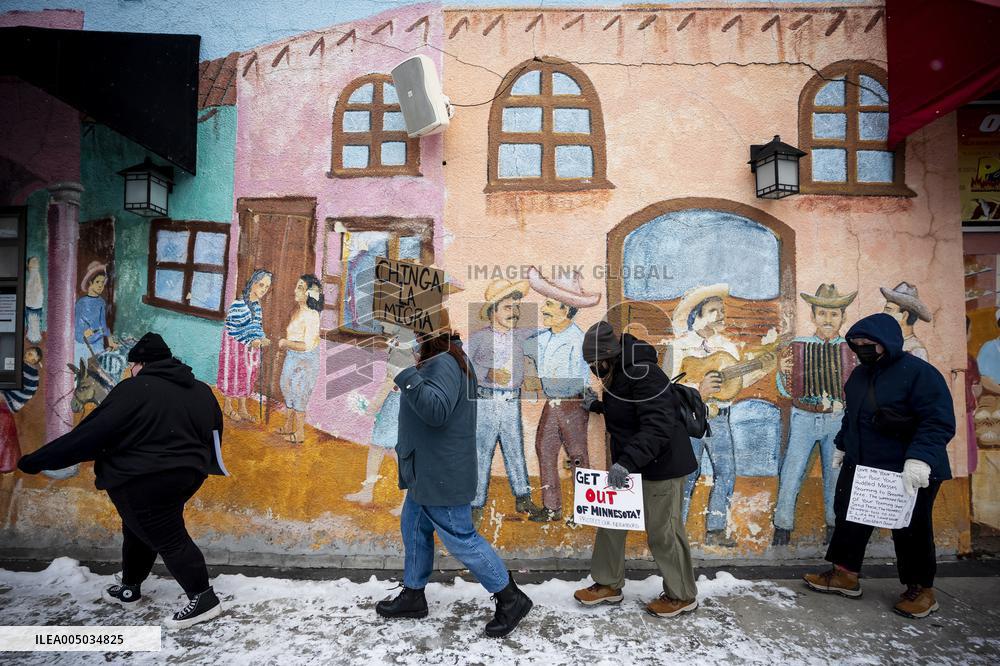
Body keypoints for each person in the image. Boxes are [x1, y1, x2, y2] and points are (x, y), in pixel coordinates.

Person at [17, 333, 227, 629]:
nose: (131, 370)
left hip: (141, 478)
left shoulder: (134, 389)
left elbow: (92, 433)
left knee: (167, 536)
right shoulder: (201, 390)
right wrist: (195, 463)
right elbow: (214, 432)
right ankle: (129, 588)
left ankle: (203, 598)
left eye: (133, 365)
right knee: (138, 530)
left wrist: (38, 460)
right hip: (188, 475)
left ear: (141, 363)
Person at [376, 311, 533, 638]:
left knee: (461, 538)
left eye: (408, 334)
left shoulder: (445, 362)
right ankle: (413, 595)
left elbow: (436, 411)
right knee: (414, 527)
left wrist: (405, 372)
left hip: (441, 474)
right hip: (428, 471)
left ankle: (510, 597)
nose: (403, 341)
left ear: (423, 335)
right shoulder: (442, 359)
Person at [803, 313, 956, 619]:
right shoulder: (860, 375)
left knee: (910, 528)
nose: (862, 349)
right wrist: (842, 445)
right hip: (864, 463)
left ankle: (921, 589)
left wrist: (919, 459)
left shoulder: (920, 374)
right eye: (857, 344)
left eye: (868, 344)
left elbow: (938, 421)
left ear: (887, 342)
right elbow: (852, 416)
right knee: (849, 516)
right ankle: (845, 575)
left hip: (908, 467)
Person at [574, 321, 700, 618]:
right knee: (611, 522)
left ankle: (682, 595)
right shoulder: (617, 373)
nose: (593, 369)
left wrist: (626, 462)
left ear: (608, 356)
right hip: (630, 464)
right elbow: (629, 410)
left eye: (594, 363)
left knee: (663, 532)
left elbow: (658, 425)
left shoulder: (644, 373)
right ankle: (608, 583)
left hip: (661, 465)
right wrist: (598, 407)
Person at [666, 284, 776, 547]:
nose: (721, 315)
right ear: (697, 314)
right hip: (688, 420)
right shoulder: (678, 347)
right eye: (713, 310)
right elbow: (667, 389)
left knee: (726, 473)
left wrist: (761, 368)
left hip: (719, 420)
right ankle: (675, 531)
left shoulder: (727, 347)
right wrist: (698, 390)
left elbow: (734, 384)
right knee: (686, 476)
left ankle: (715, 529)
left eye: (722, 310)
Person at [772, 284, 858, 546]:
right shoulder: (798, 346)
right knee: (792, 470)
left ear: (843, 317)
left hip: (837, 419)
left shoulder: (852, 350)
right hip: (803, 416)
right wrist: (781, 371)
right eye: (822, 313)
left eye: (834, 314)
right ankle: (782, 527)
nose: (828, 319)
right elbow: (785, 390)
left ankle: (834, 526)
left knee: (835, 475)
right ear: (813, 316)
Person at [522, 267, 600, 523]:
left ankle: (585, 510)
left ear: (566, 310)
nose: (543, 309)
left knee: (577, 455)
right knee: (544, 449)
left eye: (549, 305)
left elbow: (578, 378)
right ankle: (551, 507)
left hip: (573, 402)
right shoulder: (542, 337)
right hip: (553, 402)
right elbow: (524, 349)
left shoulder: (578, 339)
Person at [467, 279, 545, 523]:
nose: (515, 312)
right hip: (486, 402)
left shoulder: (522, 336)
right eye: (508, 308)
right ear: (493, 311)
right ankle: (476, 504)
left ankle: (523, 497)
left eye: (516, 307)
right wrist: (486, 373)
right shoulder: (478, 338)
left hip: (512, 401)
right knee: (481, 453)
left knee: (515, 450)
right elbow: (464, 367)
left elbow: (547, 335)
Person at [345, 321, 416, 516]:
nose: (383, 326)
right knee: (382, 448)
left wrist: (372, 407)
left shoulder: (400, 352)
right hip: (400, 403)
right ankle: (368, 492)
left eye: (387, 323)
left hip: (396, 404)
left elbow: (389, 382)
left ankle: (406, 501)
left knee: (394, 451)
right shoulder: (405, 349)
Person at [218, 269, 272, 421]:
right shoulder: (238, 304)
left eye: (267, 287)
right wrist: (251, 341)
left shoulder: (257, 305)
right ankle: (228, 406)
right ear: (253, 283)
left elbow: (256, 326)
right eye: (261, 285)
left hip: (250, 349)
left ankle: (242, 408)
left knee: (247, 376)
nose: (264, 289)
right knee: (233, 374)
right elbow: (235, 329)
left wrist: (261, 337)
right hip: (235, 348)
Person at [277, 274, 323, 443]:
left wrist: (285, 343)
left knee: (299, 393)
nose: (295, 291)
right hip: (292, 356)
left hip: (306, 360)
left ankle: (299, 433)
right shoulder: (297, 311)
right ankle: (288, 426)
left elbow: (307, 345)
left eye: (300, 288)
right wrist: (286, 347)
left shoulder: (312, 315)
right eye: (297, 287)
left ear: (309, 293)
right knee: (286, 387)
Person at [0, 347, 42, 473]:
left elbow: (26, 391)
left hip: (11, 400)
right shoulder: (22, 366)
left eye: (31, 354)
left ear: (35, 360)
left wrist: (7, 394)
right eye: (28, 352)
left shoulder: (30, 372)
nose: (27, 354)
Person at [74, 261, 117, 363]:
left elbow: (103, 324)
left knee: (98, 366)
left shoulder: (101, 302)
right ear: (90, 283)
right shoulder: (81, 303)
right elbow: (77, 328)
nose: (100, 285)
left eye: (102, 282)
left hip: (98, 343)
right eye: (97, 282)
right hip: (84, 344)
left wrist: (110, 340)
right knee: (83, 368)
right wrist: (84, 333)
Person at [880, 281, 931, 361]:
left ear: (904, 315)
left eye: (888, 310)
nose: (883, 313)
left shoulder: (917, 351)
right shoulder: (886, 342)